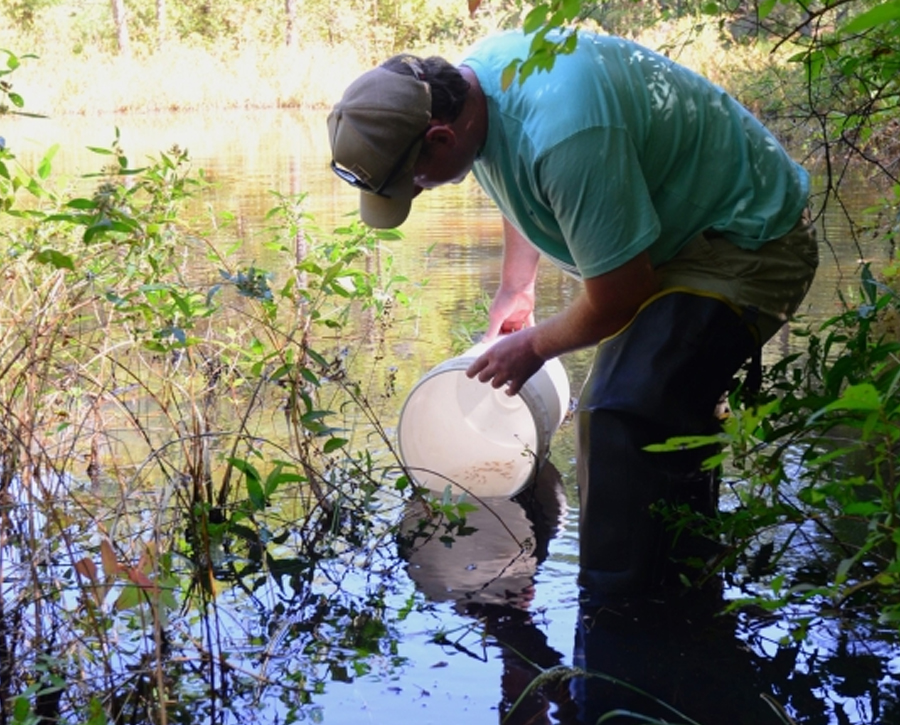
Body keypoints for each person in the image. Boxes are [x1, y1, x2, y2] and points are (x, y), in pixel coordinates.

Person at [327, 28, 818, 595]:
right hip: (675, 241)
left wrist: (534, 347)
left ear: (439, 137)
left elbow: (620, 292)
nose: (420, 193)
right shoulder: (476, 89)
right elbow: (514, 169)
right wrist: (517, 286)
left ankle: (619, 615)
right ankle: (685, 576)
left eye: (415, 183)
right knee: (656, 405)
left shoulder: (566, 131)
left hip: (749, 240)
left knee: (618, 411)